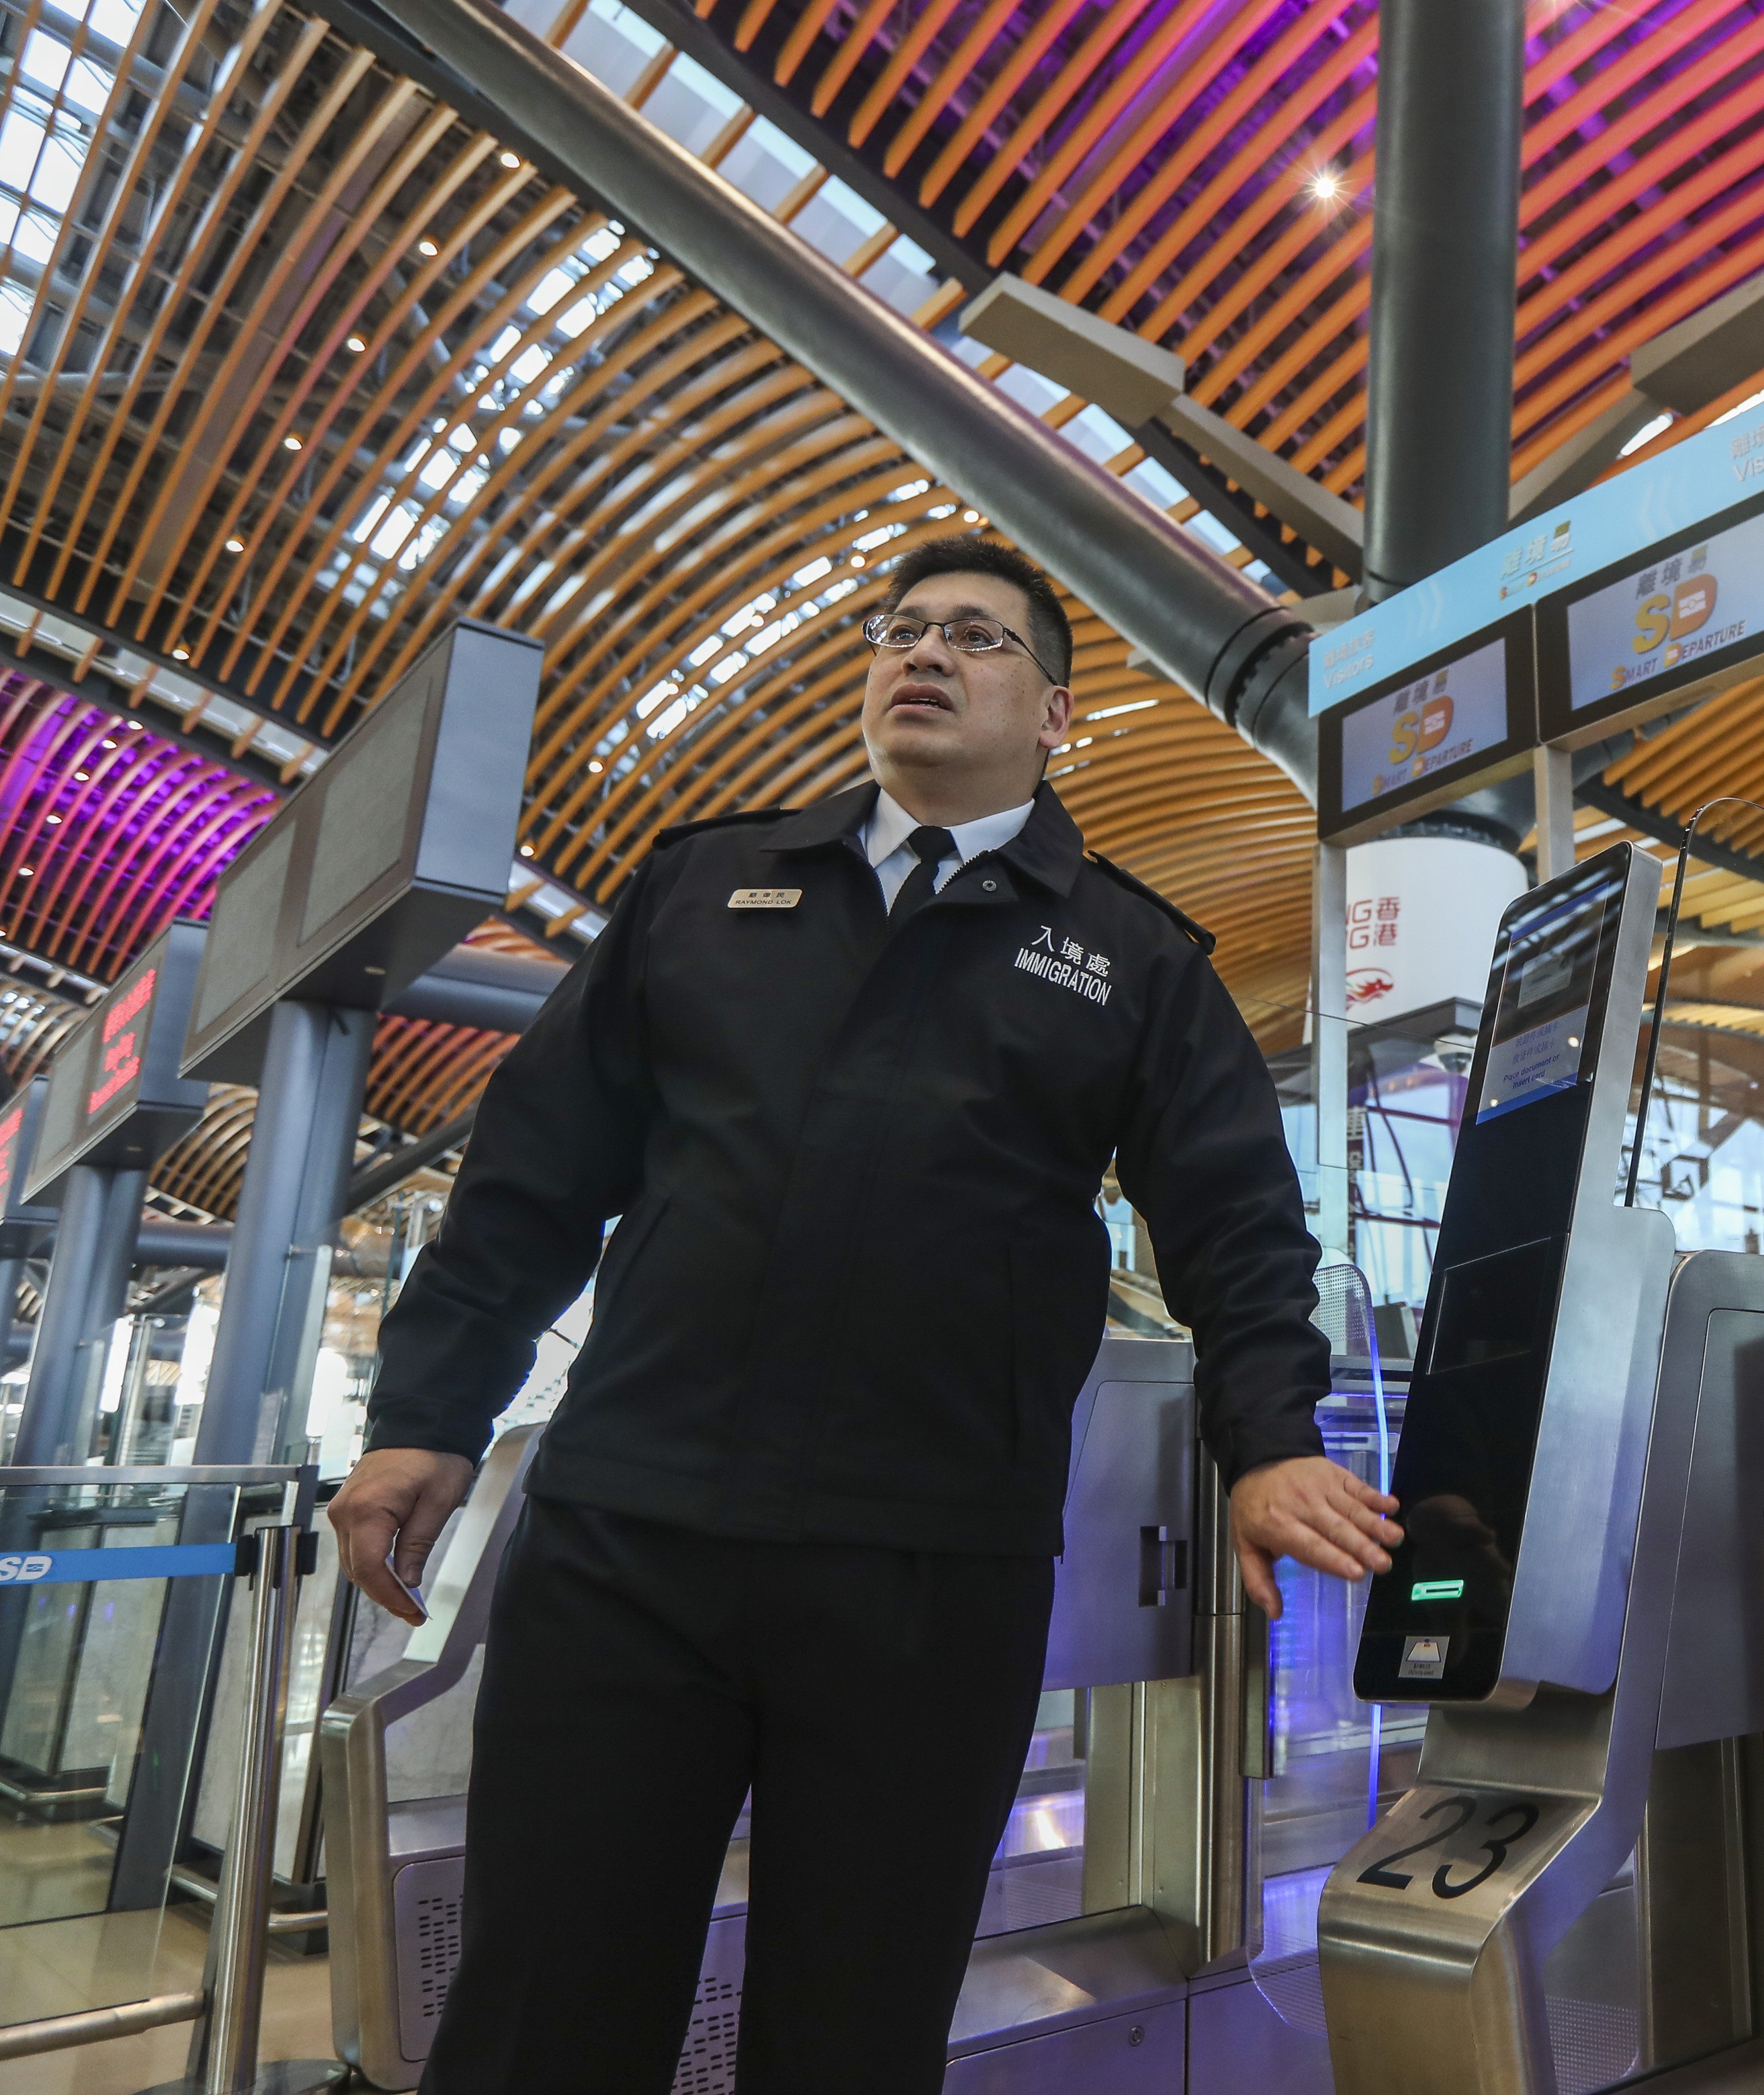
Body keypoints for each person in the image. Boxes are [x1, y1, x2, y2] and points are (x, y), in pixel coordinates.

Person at [327, 534, 1401, 2092]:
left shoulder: (1129, 956)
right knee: (544, 2008)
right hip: (633, 1537)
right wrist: (427, 1417)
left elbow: (1238, 1224)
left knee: (856, 2025)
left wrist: (1269, 1441)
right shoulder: (706, 885)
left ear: (1052, 714)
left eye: (976, 636)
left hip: (930, 1567)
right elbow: (533, 1178)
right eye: (901, 630)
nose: (927, 654)